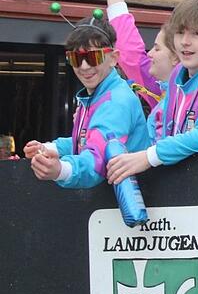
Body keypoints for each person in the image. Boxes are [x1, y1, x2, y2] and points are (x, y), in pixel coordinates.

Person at [105, 0, 198, 185]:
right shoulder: (178, 73)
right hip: (176, 190)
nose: (185, 42)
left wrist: (151, 156)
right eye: (180, 33)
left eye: (196, 33)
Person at [24, 16, 150, 188]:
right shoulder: (97, 94)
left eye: (93, 57)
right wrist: (51, 148)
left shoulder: (116, 100)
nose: (84, 66)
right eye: (76, 58)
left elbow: (98, 157)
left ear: (113, 58)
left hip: (130, 203)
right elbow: (87, 141)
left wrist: (61, 169)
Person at [103, 0, 177, 142]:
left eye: (157, 48)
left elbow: (131, 55)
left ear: (177, 56)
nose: (149, 54)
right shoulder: (161, 87)